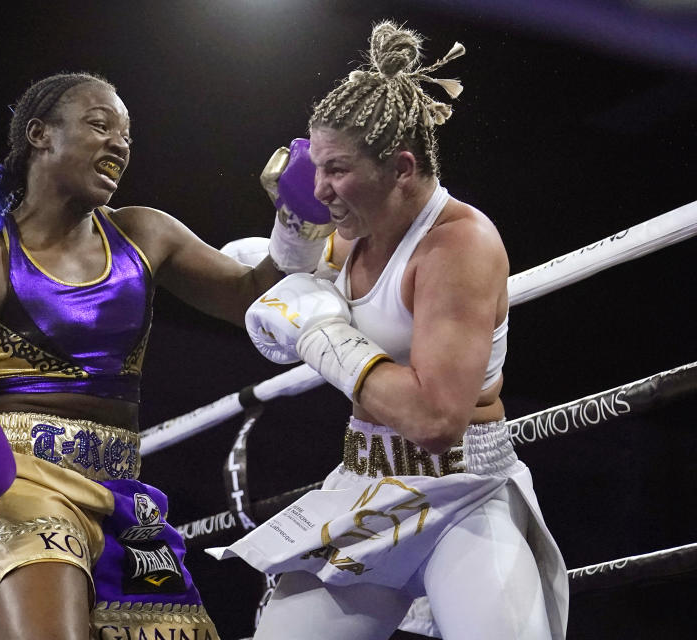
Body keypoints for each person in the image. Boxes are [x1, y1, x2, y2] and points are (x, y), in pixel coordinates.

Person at [0, 72, 331, 640]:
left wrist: (296, 223)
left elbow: (250, 296)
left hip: (120, 487)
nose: (120, 144)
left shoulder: (145, 235)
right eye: (100, 126)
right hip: (16, 480)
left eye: (126, 135)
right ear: (40, 135)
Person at [209, 21, 569, 639]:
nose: (320, 188)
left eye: (338, 170)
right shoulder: (350, 225)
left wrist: (320, 336)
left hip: (464, 491)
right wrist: (290, 236)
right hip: (366, 483)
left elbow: (435, 421)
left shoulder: (458, 248)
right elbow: (264, 280)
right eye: (315, 165)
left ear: (401, 168)